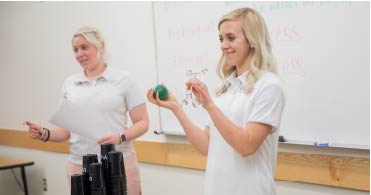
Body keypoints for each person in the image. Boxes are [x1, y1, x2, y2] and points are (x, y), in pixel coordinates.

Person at [147, 7, 285, 195]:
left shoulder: (269, 86)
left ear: (252, 40)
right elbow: (206, 146)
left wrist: (210, 106)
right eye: (221, 39)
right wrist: (176, 109)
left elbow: (246, 146)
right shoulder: (226, 88)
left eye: (231, 38)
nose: (223, 45)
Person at [25, 26, 149, 195]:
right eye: (75, 50)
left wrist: (119, 138)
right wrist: (44, 133)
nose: (79, 54)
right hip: (79, 166)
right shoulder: (70, 84)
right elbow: (66, 130)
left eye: (84, 47)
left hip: (118, 165)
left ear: (100, 46)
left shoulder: (124, 79)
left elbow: (143, 122)